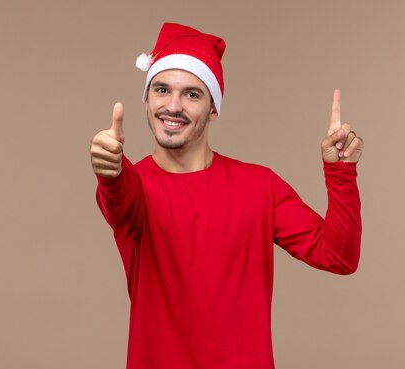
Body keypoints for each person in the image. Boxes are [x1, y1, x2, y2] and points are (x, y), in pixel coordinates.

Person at [90, 22, 363, 369]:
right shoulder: (136, 186)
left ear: (214, 107)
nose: (173, 106)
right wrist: (109, 168)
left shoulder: (260, 186)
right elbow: (117, 195)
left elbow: (339, 256)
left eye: (192, 94)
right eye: (161, 90)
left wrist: (341, 173)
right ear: (146, 97)